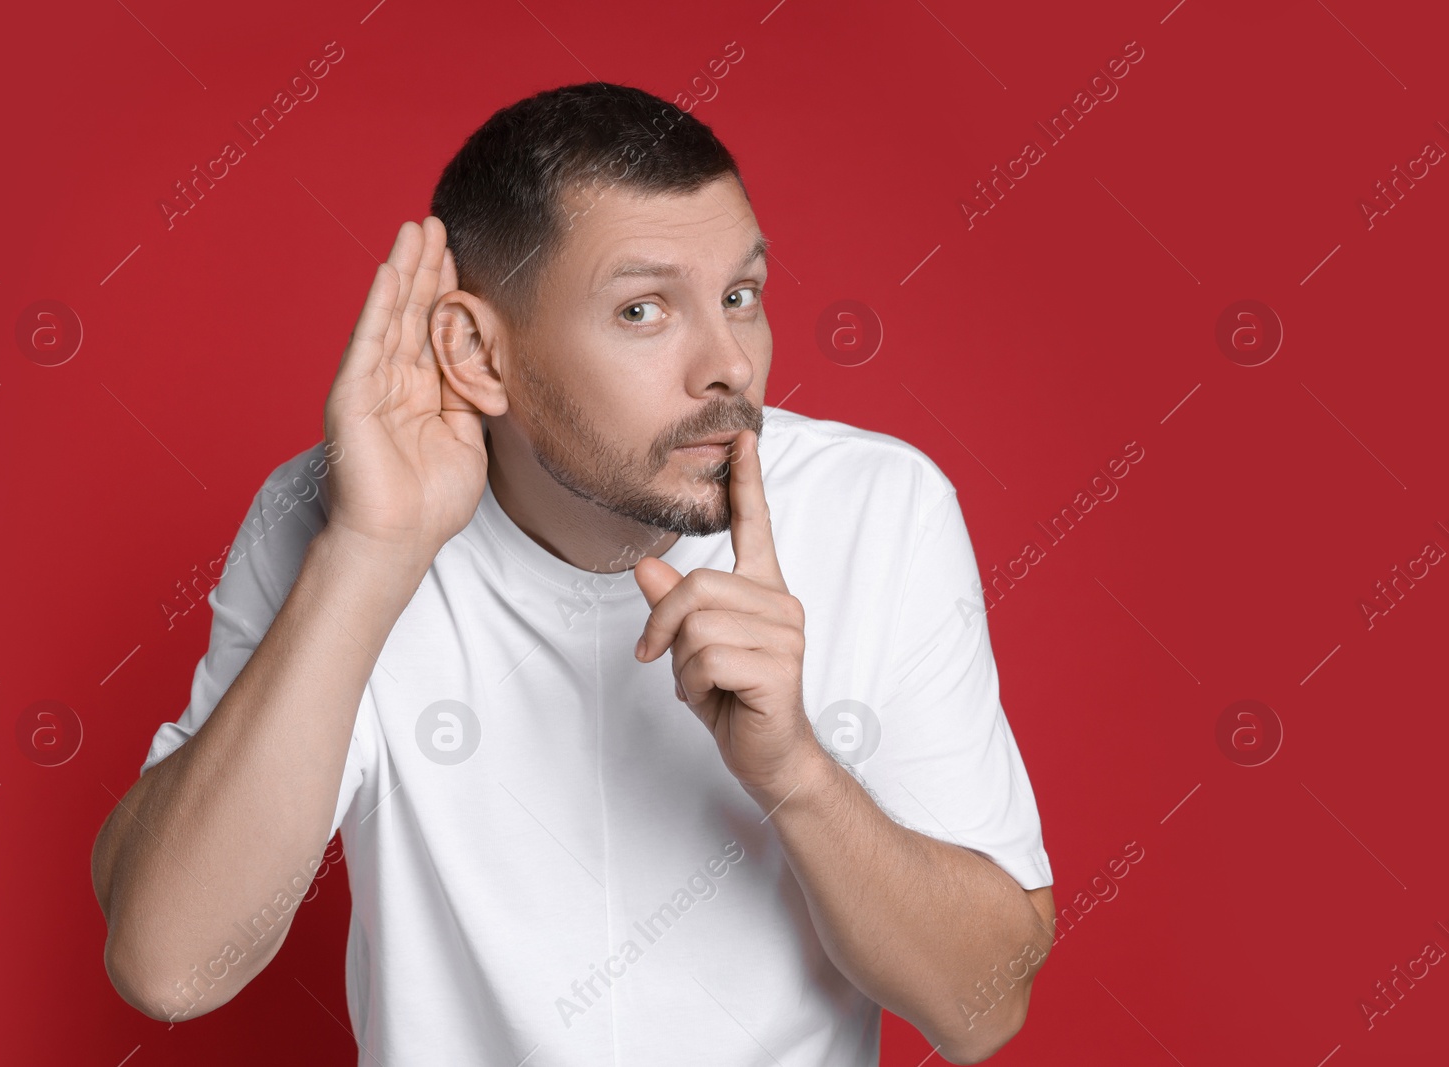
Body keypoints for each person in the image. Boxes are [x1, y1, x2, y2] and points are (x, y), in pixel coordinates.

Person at [91, 81, 1056, 1066]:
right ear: (476, 350)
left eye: (740, 296)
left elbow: (983, 1009)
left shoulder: (877, 507)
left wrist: (796, 772)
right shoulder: (333, 514)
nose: (728, 364)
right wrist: (368, 552)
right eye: (643, 309)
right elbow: (170, 964)